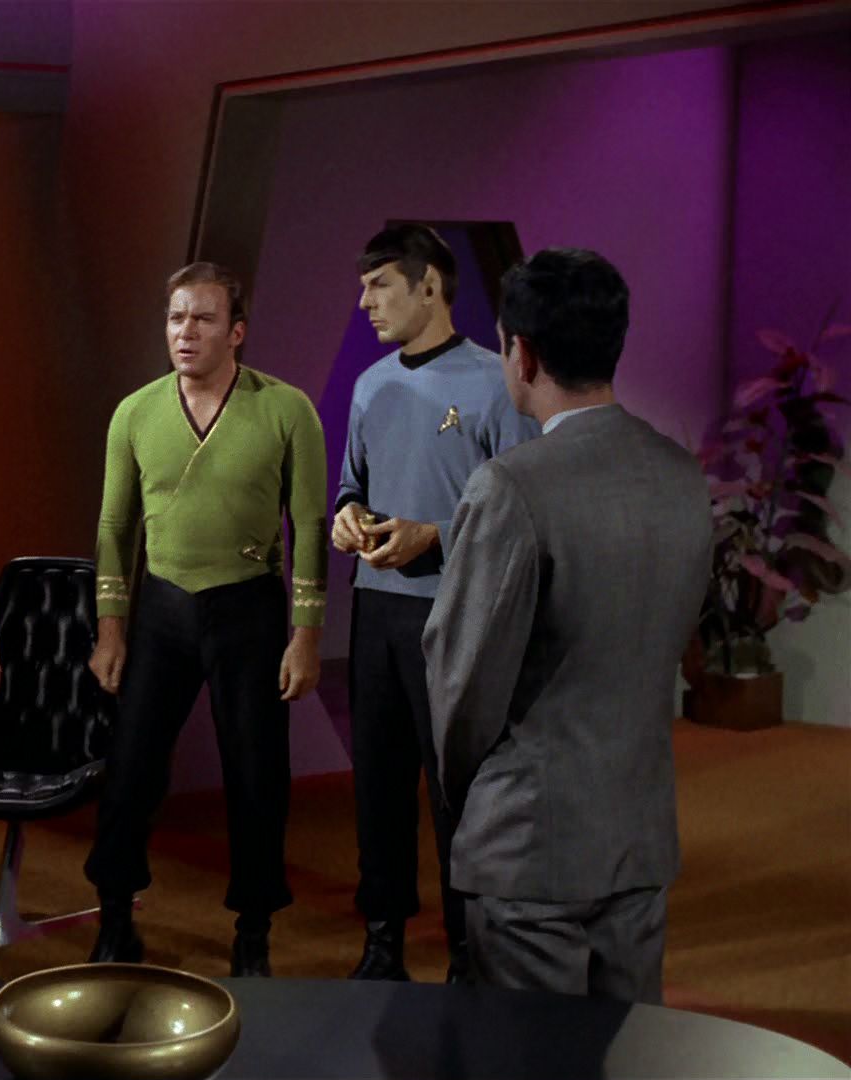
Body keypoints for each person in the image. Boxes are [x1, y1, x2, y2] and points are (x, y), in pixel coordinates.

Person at [423, 248, 712, 1002]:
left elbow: (463, 683)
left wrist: (469, 799)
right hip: (637, 836)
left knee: (532, 1054)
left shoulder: (510, 487)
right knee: (629, 1047)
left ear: (521, 354)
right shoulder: (681, 474)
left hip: (528, 846)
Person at [84, 261, 327, 977]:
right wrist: (111, 627)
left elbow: (310, 527)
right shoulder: (135, 412)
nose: (185, 332)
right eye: (176, 318)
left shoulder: (286, 410)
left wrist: (306, 637)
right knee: (129, 771)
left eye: (203, 318)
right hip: (162, 607)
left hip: (248, 607)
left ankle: (253, 931)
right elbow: (113, 527)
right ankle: (116, 918)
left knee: (256, 774)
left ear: (237, 332)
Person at [330, 224, 539, 982]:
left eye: (379, 285)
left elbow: (525, 514)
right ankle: (382, 939)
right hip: (376, 612)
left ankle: (466, 951)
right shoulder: (370, 385)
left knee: (459, 792)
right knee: (377, 784)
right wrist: (346, 516)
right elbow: (352, 484)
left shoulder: (493, 383)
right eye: (363, 287)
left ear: (428, 286)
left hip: (455, 616)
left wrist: (437, 536)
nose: (365, 303)